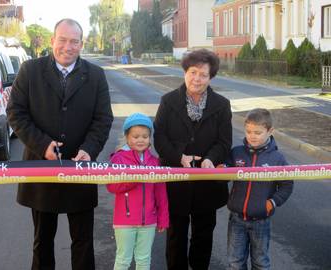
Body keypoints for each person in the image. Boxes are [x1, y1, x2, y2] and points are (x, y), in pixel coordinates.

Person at [6, 18, 113, 270]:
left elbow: (103, 118)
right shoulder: (30, 71)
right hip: (41, 171)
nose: (68, 46)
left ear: (82, 44)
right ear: (52, 41)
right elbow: (16, 112)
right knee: (42, 241)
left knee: (83, 242)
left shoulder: (96, 75)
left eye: (74, 41)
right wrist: (43, 145)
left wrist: (89, 149)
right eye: (62, 40)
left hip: (80, 169)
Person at [153, 49, 232, 270]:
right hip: (176, 181)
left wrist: (210, 159)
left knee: (203, 237)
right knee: (175, 237)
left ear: (211, 77)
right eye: (193, 72)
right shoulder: (168, 101)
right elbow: (159, 137)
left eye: (203, 74)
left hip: (207, 183)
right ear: (185, 72)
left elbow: (224, 142)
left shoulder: (221, 105)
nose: (197, 78)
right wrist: (179, 156)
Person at [226, 108, 293, 270]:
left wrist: (272, 203)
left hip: (261, 220)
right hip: (237, 219)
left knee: (261, 262)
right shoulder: (237, 152)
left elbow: (286, 185)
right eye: (248, 131)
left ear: (270, 131)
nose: (252, 136)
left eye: (257, 132)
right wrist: (223, 168)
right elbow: (225, 169)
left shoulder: (277, 159)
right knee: (235, 262)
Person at [107, 113, 169, 270]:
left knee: (144, 259)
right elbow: (111, 186)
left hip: (149, 220)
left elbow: (160, 193)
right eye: (135, 136)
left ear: (150, 138)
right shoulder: (118, 159)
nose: (140, 140)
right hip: (124, 220)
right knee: (123, 259)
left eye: (145, 136)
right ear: (127, 137)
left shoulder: (154, 162)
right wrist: (135, 178)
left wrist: (163, 217)